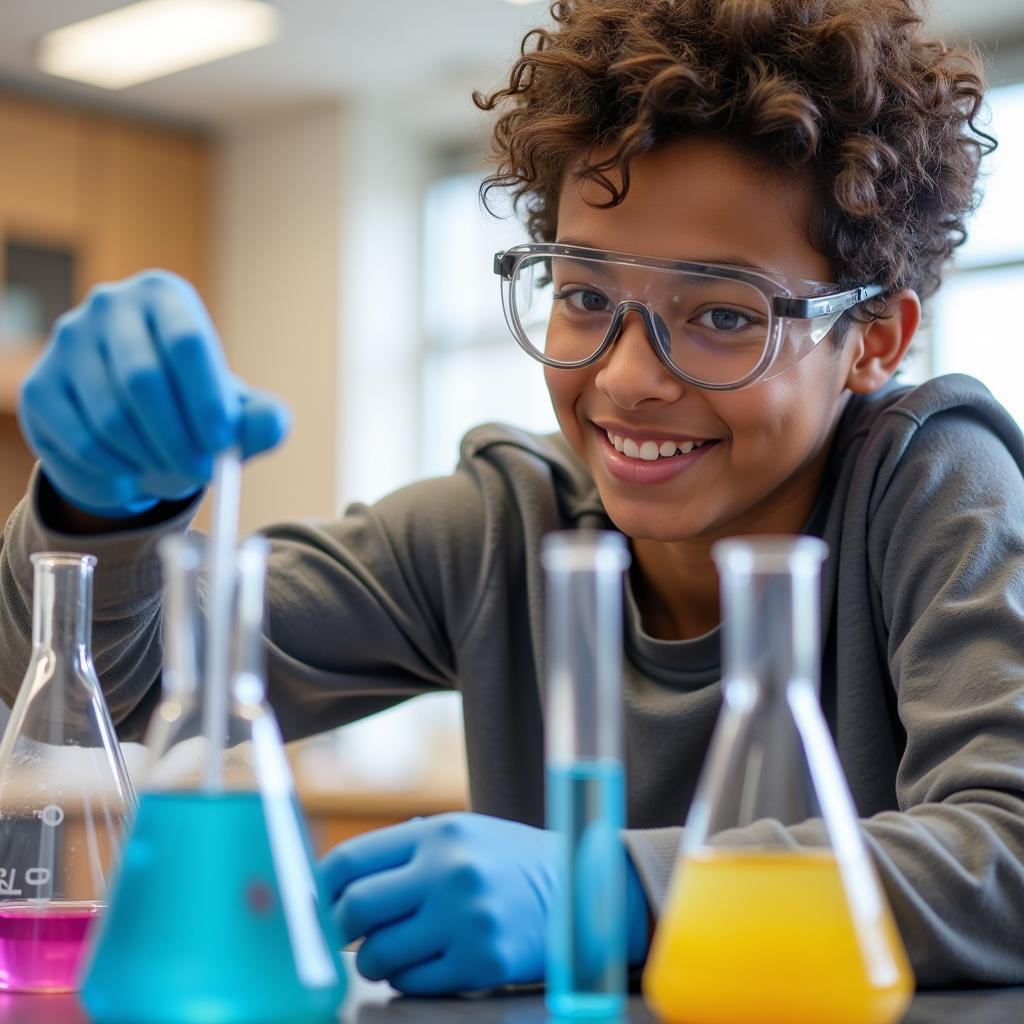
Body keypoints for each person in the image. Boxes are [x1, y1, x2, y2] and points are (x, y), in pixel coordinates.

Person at [2, 0, 1023, 996]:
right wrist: (105, 507)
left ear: (877, 337)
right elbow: (105, 687)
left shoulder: (933, 487)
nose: (626, 377)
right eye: (584, 297)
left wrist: (610, 890)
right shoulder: (505, 526)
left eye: (719, 313)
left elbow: (1007, 850)